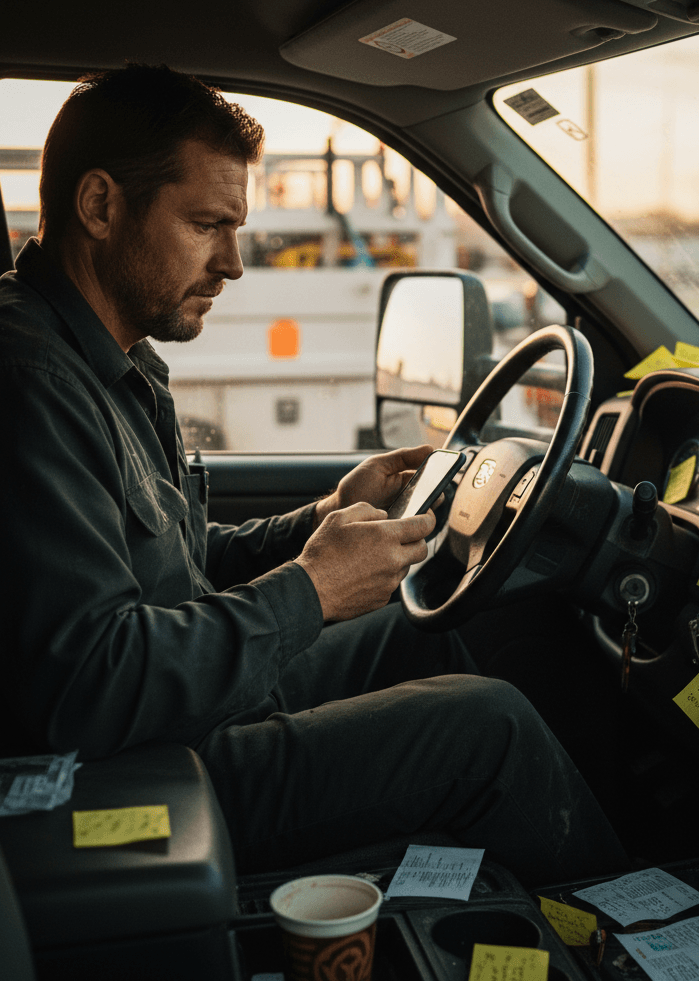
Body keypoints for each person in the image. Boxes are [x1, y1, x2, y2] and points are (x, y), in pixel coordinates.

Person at [0, 63, 628, 887]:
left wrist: (328, 515)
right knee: (488, 727)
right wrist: (313, 591)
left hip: (188, 707)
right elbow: (88, 683)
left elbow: (182, 568)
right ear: (101, 206)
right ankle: (643, 934)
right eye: (206, 225)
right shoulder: (30, 384)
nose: (233, 262)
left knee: (435, 625)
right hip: (145, 771)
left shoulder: (111, 360)